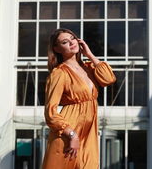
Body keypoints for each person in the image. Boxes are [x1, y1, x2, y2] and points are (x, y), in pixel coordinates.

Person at [42, 28, 116, 169]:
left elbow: (109, 79)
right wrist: (72, 135)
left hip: (89, 132)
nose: (71, 43)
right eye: (65, 42)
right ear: (57, 49)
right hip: (68, 134)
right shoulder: (59, 73)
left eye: (73, 38)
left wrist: (89, 54)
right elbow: (50, 112)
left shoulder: (89, 67)